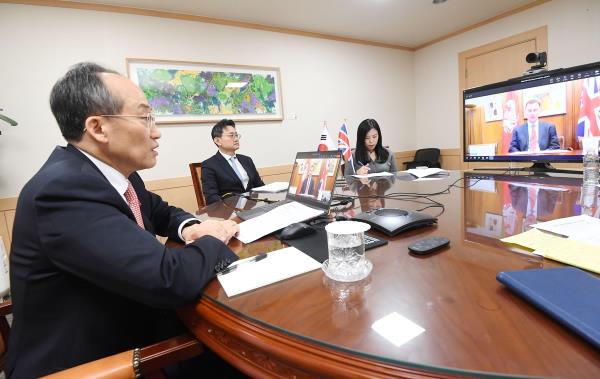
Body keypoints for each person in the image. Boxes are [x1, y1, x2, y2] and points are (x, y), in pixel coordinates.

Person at [7, 63, 240, 378]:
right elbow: (168, 280)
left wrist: (190, 226)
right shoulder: (62, 190)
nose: (156, 132)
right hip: (97, 360)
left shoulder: (115, 176)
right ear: (98, 128)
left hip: (137, 322)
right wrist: (218, 235)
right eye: (145, 118)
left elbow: (159, 211)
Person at [201, 119, 264, 205]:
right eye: (231, 136)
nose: (236, 139)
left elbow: (259, 186)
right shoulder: (209, 165)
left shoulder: (247, 160)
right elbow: (211, 197)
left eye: (236, 135)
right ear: (217, 141)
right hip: (229, 212)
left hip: (253, 207)